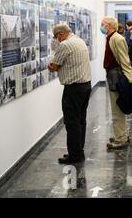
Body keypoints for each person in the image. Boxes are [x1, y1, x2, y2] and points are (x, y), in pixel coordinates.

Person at [47, 23, 92, 164]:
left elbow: (54, 66)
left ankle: (74, 156)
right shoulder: (79, 41)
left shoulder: (65, 45)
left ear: (60, 34)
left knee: (71, 122)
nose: (56, 40)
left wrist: (50, 65)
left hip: (73, 89)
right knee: (80, 120)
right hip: (85, 86)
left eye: (56, 37)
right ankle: (79, 152)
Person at [101, 16, 132, 149]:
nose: (101, 27)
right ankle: (122, 134)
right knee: (117, 107)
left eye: (102, 24)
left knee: (117, 108)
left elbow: (124, 60)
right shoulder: (110, 38)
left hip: (118, 77)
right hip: (112, 75)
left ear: (108, 26)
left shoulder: (117, 38)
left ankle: (120, 138)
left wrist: (129, 80)